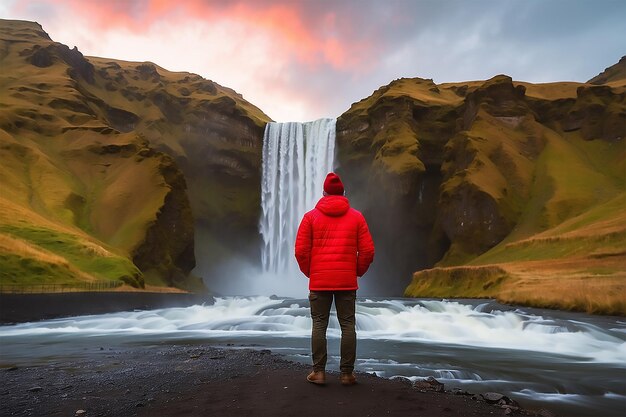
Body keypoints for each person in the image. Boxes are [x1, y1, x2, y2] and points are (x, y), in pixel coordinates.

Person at [294, 172, 375, 386]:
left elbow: (301, 251)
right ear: (344, 193)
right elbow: (368, 251)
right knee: (347, 325)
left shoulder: (310, 217)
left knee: (319, 324)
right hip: (346, 281)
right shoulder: (357, 217)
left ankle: (318, 372)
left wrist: (311, 272)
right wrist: (356, 270)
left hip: (320, 281)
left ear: (323, 193)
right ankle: (347, 374)